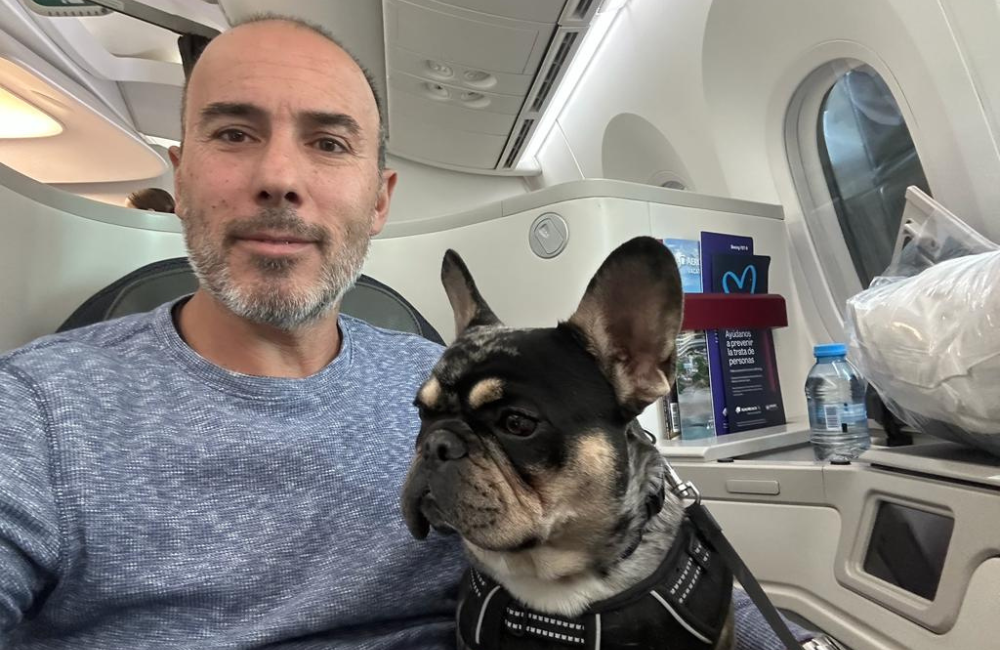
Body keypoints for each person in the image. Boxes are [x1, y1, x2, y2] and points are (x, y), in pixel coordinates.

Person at [0, 12, 812, 650]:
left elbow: (654, 551)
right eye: (234, 133)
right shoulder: (39, 410)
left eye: (328, 142)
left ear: (380, 199)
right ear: (179, 177)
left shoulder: (444, 369)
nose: (279, 178)